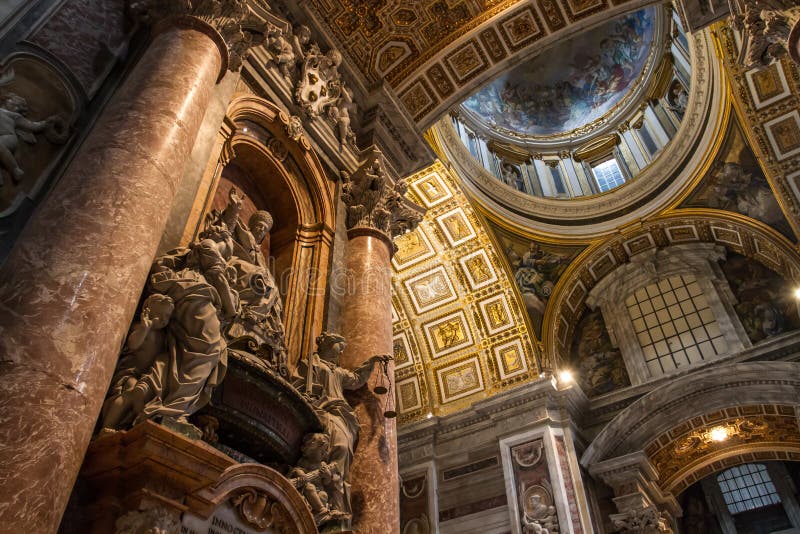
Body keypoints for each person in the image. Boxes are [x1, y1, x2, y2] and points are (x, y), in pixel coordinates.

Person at [293, 332, 391, 515]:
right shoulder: (311, 364)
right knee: (338, 446)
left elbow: (356, 380)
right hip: (323, 410)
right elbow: (298, 383)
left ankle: (336, 499)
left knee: (344, 448)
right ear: (327, 346)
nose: (339, 353)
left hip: (341, 413)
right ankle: (329, 497)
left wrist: (372, 361)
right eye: (338, 347)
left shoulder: (337, 371)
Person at [100, 294, 174, 430]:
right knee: (131, 391)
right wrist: (144, 329)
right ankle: (107, 427)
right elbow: (133, 344)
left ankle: (128, 427)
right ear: (148, 311)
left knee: (142, 400)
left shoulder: (163, 337)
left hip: (145, 376)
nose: (164, 320)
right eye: (160, 315)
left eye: (167, 317)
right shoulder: (140, 328)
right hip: (128, 373)